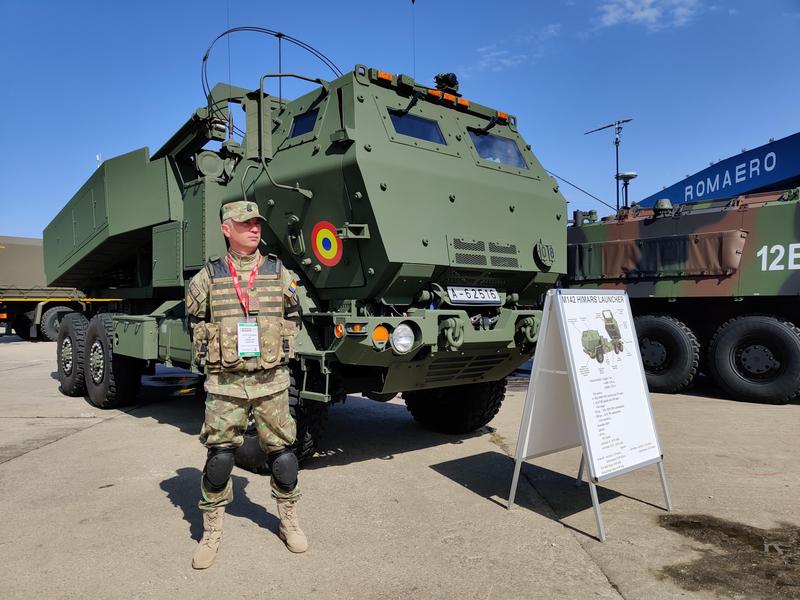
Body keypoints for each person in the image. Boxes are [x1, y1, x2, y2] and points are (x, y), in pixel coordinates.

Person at [185, 200, 305, 570]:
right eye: (244, 223)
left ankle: (288, 522)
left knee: (283, 457)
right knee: (220, 459)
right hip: (226, 383)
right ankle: (212, 531)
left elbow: (294, 314)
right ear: (226, 229)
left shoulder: (277, 271)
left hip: (271, 380)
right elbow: (193, 320)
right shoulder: (209, 276)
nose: (254, 229)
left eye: (256, 223)